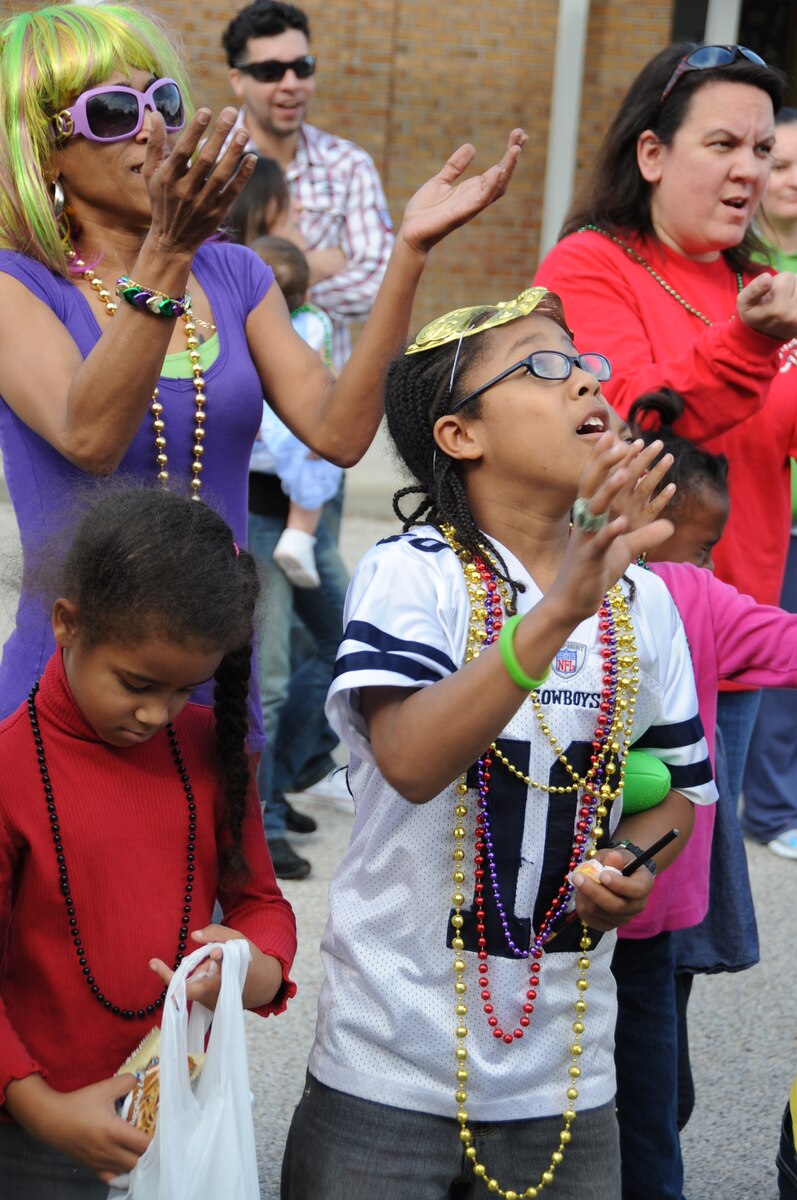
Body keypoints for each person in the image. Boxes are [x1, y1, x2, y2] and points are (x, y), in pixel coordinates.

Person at [280, 287, 718, 1200]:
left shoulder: (644, 600)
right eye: (541, 367)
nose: (584, 381)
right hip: (387, 1060)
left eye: (584, 362)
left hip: (566, 1073)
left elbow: (677, 790)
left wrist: (629, 864)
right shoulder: (414, 575)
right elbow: (409, 761)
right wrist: (560, 608)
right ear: (459, 435)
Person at [0, 2, 525, 735]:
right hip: (69, 690)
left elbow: (338, 433)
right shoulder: (20, 285)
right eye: (113, 111)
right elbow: (89, 437)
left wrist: (408, 253)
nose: (150, 128)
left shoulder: (235, 274)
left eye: (163, 101)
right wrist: (168, 253)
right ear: (44, 149)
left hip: (214, 680)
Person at [0, 488, 297, 1195]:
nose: (156, 714)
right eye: (136, 684)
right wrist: (40, 1107)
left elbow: (261, 903)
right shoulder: (11, 768)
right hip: (33, 1132)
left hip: (175, 1111)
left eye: (183, 690)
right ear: (67, 623)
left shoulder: (208, 749)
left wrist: (251, 971)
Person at [534, 42, 797, 828]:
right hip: (623, 637)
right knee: (615, 872)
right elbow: (629, 423)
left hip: (735, 636)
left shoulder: (758, 287)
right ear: (651, 153)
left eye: (761, 149)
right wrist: (750, 342)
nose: (748, 170)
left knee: (697, 879)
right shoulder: (586, 266)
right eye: (721, 144)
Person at [606, 390, 797, 1200]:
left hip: (589, 897)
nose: (709, 562)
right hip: (652, 894)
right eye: (704, 545)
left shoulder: (677, 594)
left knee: (637, 1091)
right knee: (653, 1101)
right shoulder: (692, 594)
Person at [222, 0, 394, 372]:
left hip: (325, 387)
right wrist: (323, 262)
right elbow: (195, 280)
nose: (291, 84)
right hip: (230, 385)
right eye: (270, 71)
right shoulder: (209, 167)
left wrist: (276, 281)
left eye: (302, 68)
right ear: (237, 80)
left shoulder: (348, 164)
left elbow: (380, 283)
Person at [742, 108, 797, 859]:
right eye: (778, 163)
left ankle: (777, 799)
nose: (790, 181)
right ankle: (772, 808)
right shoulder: (736, 265)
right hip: (757, 503)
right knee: (762, 654)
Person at [250, 233, 340, 590]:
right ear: (304, 295)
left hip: (263, 423)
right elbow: (325, 374)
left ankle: (298, 539)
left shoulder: (245, 319)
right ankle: (299, 535)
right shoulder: (314, 322)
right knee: (313, 470)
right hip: (300, 422)